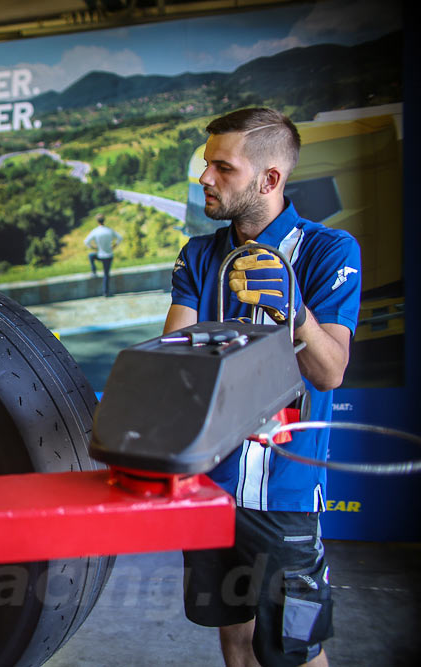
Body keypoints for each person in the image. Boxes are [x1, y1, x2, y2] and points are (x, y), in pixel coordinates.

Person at [164, 108, 361, 667]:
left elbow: (329, 372)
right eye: (207, 165)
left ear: (269, 179)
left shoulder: (331, 251)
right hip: (211, 490)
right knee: (236, 638)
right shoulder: (199, 255)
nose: (205, 177)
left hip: (286, 496)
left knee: (295, 652)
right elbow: (173, 361)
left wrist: (295, 312)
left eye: (222, 167)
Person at [84, 214, 122, 297]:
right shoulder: (109, 230)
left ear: (97, 221)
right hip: (109, 255)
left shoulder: (95, 231)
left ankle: (94, 271)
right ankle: (106, 292)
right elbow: (120, 238)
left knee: (91, 256)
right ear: (104, 220)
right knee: (106, 274)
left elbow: (86, 242)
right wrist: (114, 245)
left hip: (100, 255)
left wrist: (94, 247)